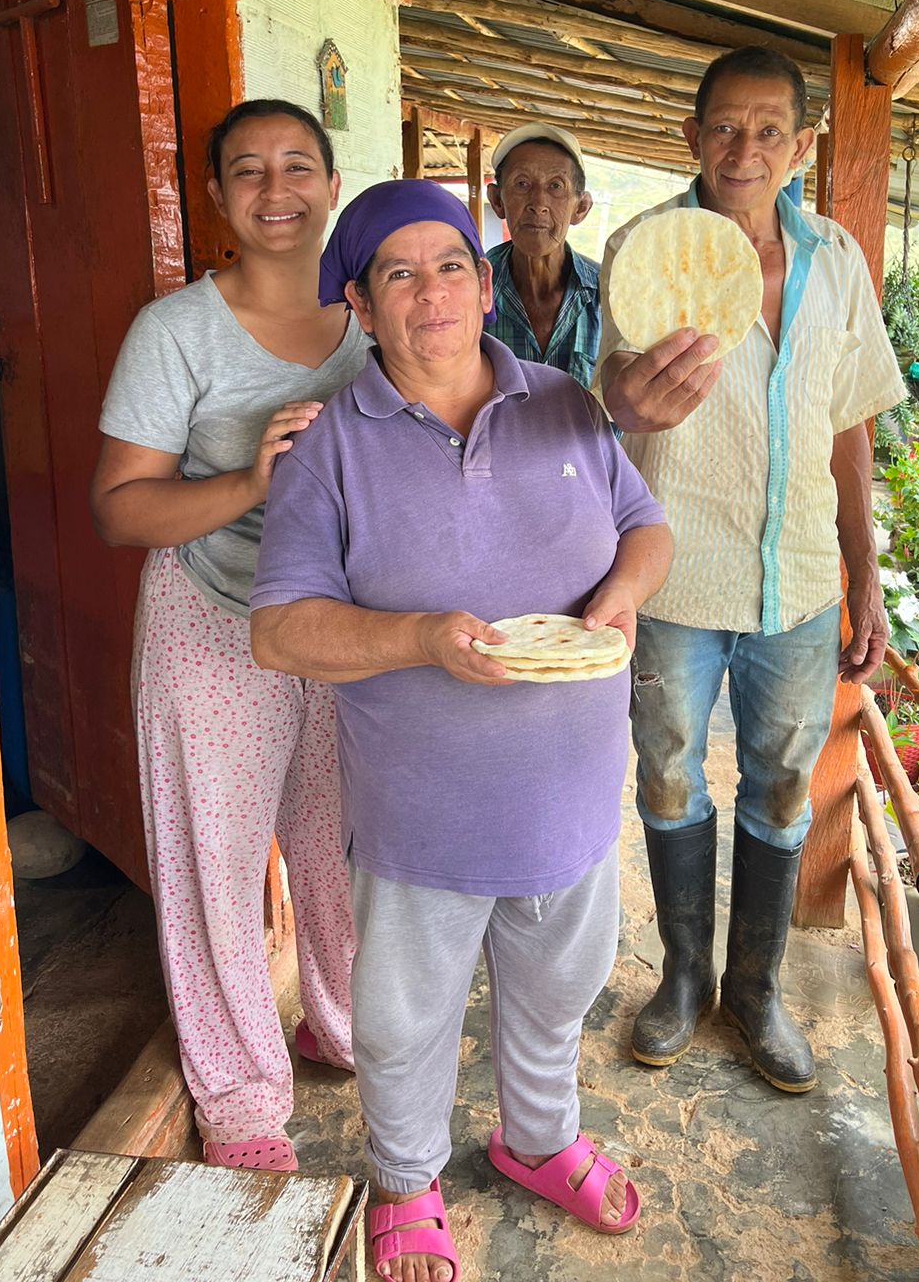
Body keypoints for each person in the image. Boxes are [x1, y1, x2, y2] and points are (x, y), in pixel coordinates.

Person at [249, 179, 672, 1282]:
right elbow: (281, 632)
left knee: (555, 989)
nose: (429, 290)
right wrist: (420, 638)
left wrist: (622, 593)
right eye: (398, 271)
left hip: (572, 794)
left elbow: (645, 525)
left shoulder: (568, 404)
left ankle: (535, 1139)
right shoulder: (330, 447)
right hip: (424, 813)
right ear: (361, 303)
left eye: (449, 265)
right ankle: (403, 1176)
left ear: (485, 286)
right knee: (401, 1017)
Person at [596, 46, 906, 1093]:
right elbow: (604, 399)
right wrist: (629, 400)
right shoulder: (644, 247)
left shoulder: (840, 262)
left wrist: (866, 575)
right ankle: (684, 978)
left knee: (780, 784)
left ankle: (756, 988)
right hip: (676, 579)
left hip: (801, 584)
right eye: (725, 126)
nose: (746, 148)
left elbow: (850, 423)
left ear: (804, 146)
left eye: (770, 129)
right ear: (691, 138)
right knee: (671, 769)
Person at [90, 99, 366, 1170]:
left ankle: (342, 1024)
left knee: (344, 844)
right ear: (214, 197)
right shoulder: (176, 332)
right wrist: (250, 476)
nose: (275, 188)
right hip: (211, 619)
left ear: (331, 186)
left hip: (343, 626)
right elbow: (122, 506)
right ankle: (244, 1095)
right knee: (214, 856)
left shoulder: (375, 319)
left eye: (298, 165)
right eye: (246, 170)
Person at [483, 123, 600, 388]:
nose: (538, 204)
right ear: (498, 201)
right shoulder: (468, 290)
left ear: (580, 208)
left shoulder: (610, 294)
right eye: (522, 184)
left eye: (556, 186)